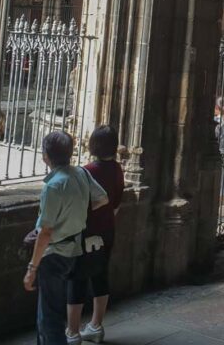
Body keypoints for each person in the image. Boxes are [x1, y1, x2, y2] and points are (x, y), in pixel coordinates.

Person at [24, 131, 109, 345]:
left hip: (53, 254)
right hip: (73, 248)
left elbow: (45, 233)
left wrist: (32, 269)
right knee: (49, 313)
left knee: (49, 318)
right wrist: (76, 216)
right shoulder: (80, 173)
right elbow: (102, 199)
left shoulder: (53, 186)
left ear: (45, 156)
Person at [66, 126, 125, 344]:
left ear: (93, 145)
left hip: (86, 232)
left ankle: (72, 333)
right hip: (108, 230)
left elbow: (77, 205)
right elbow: (116, 203)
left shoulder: (86, 171)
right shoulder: (118, 169)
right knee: (100, 276)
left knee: (77, 279)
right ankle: (96, 326)